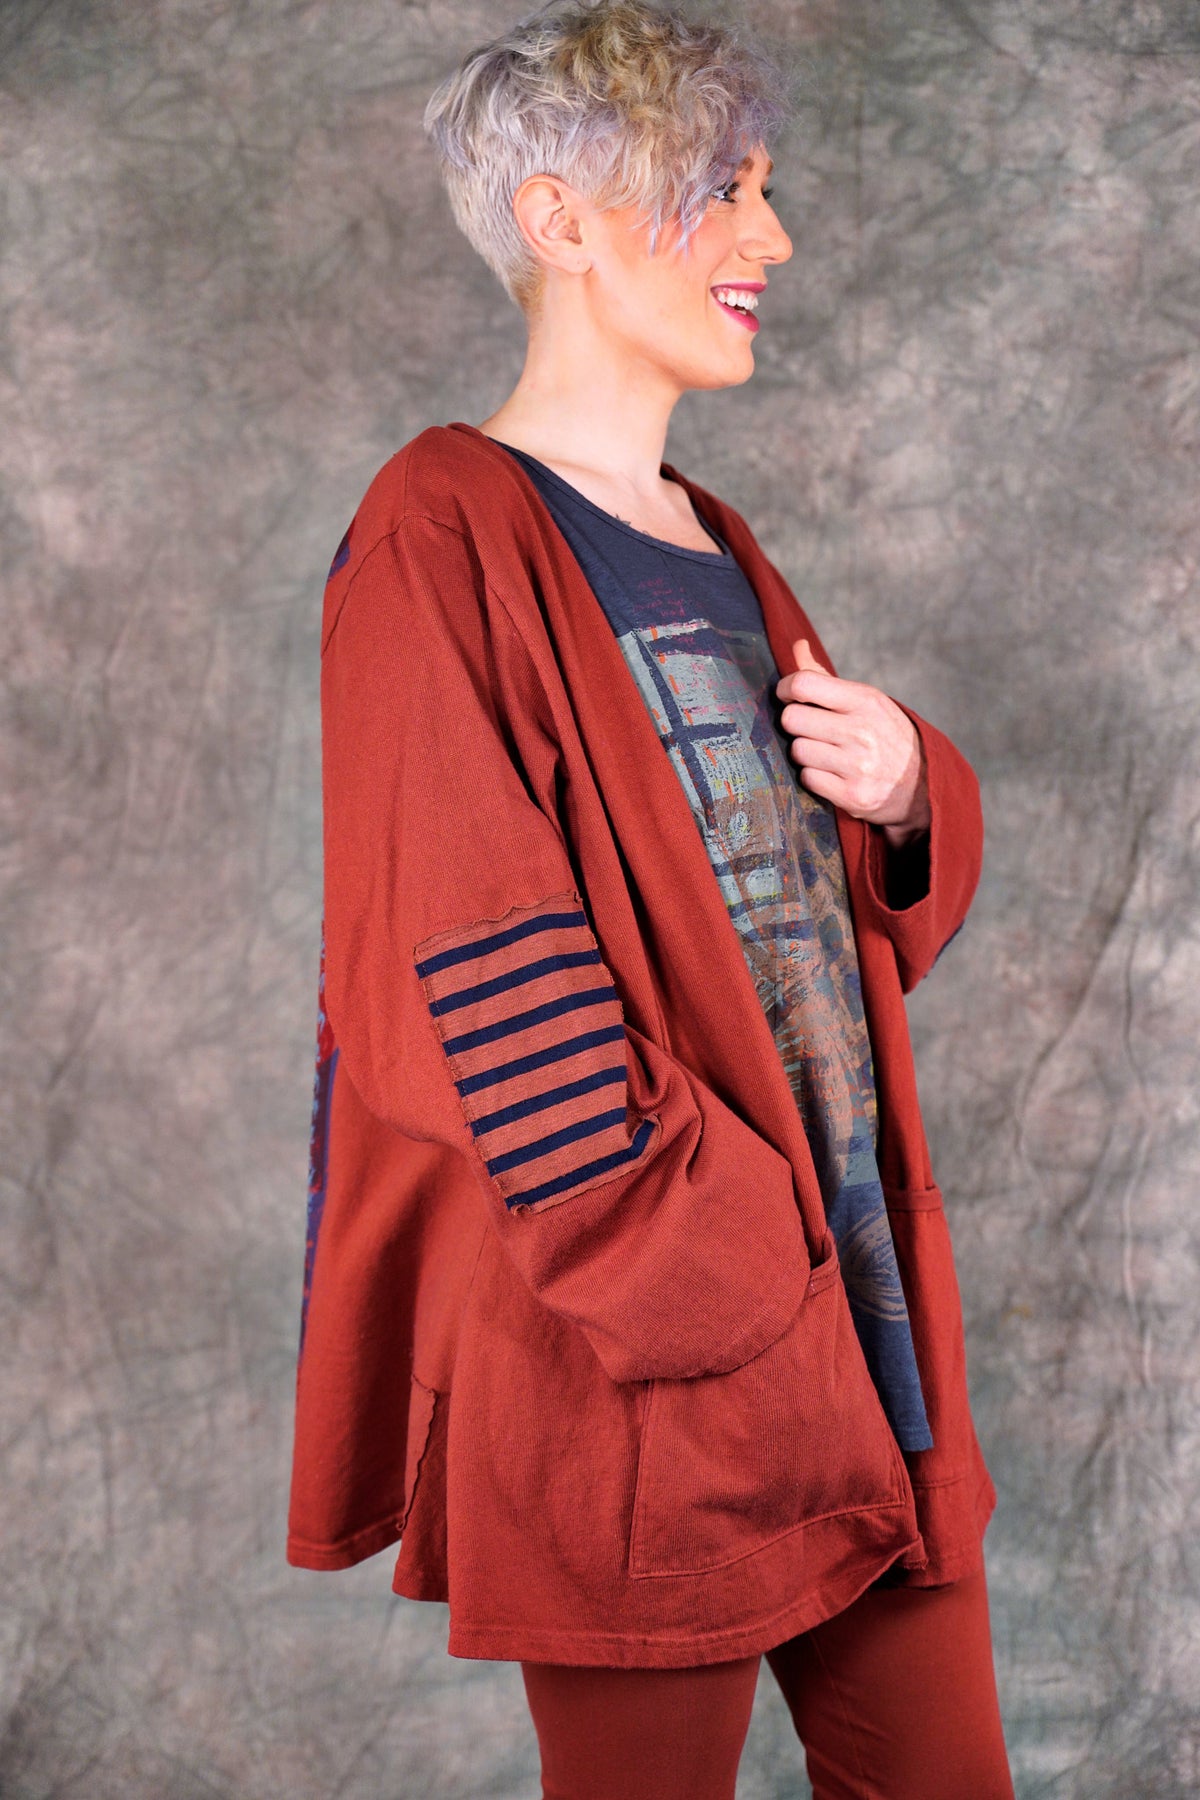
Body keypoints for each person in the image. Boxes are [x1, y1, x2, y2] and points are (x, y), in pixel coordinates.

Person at [286, 3, 1015, 1795]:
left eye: (764, 187)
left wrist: (909, 792)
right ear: (562, 222)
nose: (773, 237)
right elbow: (457, 976)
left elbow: (802, 945)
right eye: (723, 187)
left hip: (858, 1321)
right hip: (640, 1358)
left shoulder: (714, 537)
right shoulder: (441, 531)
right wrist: (726, 1277)